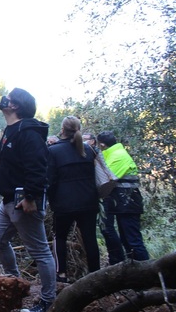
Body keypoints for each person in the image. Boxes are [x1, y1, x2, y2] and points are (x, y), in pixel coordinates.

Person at [0, 88, 56, 312]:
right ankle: (14, 281)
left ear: (14, 105)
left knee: (40, 252)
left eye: (7, 96)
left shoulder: (29, 132)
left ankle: (48, 302)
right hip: (8, 200)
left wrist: (30, 197)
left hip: (23, 201)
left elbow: (38, 168)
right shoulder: (11, 129)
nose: (3, 98)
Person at [47, 116, 100, 284]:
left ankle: (61, 274)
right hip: (89, 202)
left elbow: (50, 179)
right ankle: (96, 276)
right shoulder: (89, 150)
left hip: (64, 203)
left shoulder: (53, 151)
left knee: (59, 237)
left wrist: (51, 199)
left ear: (62, 130)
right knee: (90, 238)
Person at [96, 131, 149, 264]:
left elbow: (108, 179)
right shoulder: (114, 153)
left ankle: (145, 272)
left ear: (102, 144)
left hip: (129, 202)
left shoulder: (118, 156)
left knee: (132, 239)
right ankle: (133, 271)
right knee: (127, 239)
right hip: (124, 203)